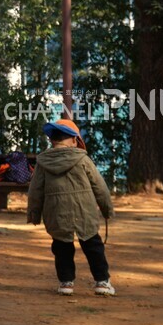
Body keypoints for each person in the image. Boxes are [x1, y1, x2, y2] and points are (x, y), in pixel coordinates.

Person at [27, 118, 115, 297]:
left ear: (52, 140)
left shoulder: (43, 162)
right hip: (84, 211)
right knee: (93, 246)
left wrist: (34, 215)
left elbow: (35, 191)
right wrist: (107, 210)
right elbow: (100, 187)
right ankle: (102, 282)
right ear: (74, 140)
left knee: (61, 247)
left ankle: (66, 283)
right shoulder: (83, 159)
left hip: (56, 212)